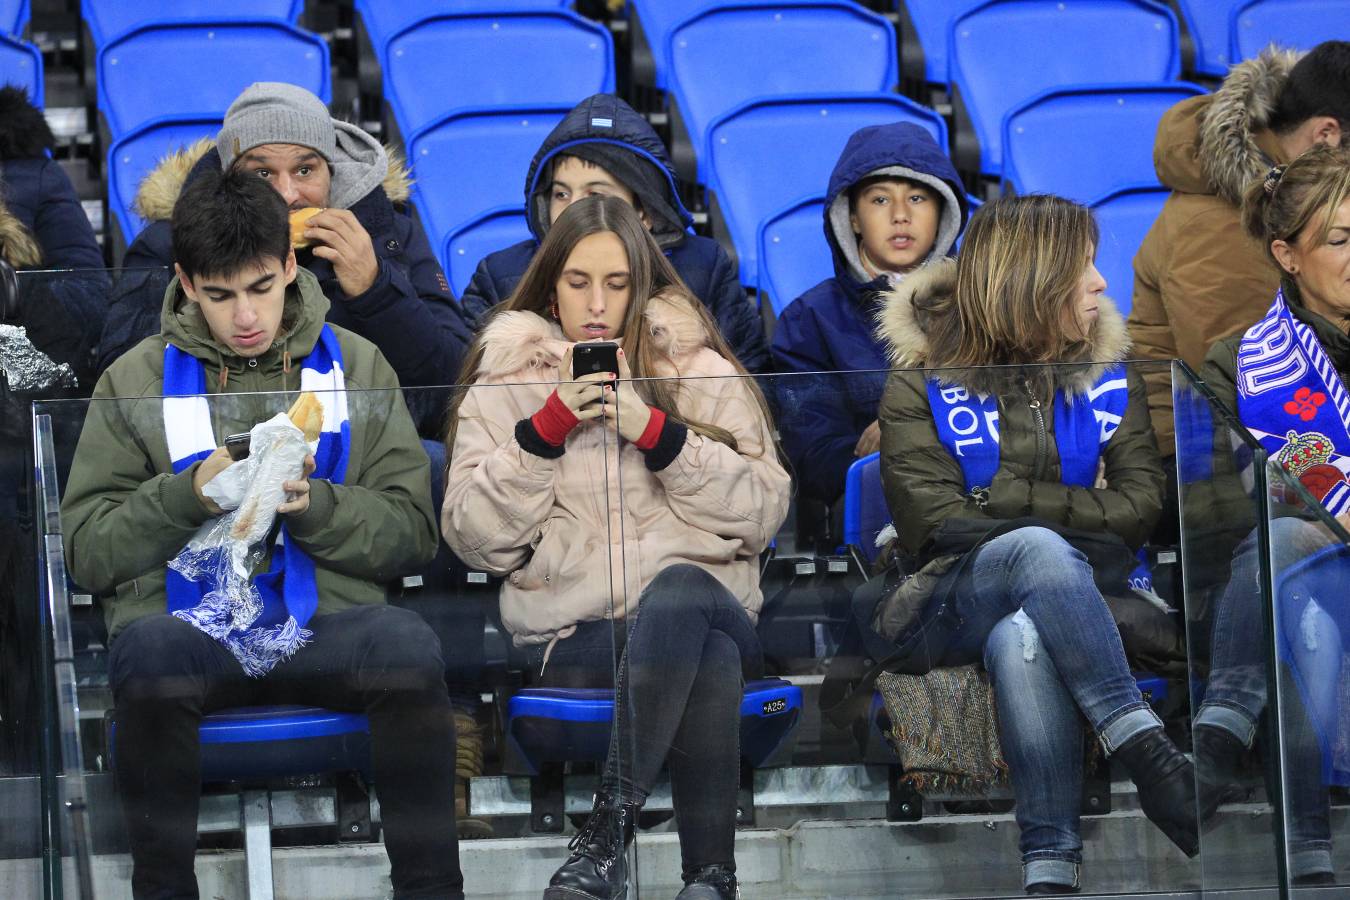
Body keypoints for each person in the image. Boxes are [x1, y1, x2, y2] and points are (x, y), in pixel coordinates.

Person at [61, 170, 462, 900]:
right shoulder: (130, 381)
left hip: (327, 625)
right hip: (191, 629)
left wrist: (316, 506)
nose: (244, 315)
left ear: (289, 266)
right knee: (147, 652)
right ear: (183, 282)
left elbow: (412, 533)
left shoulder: (359, 364)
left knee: (408, 646)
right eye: (219, 295)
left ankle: (432, 892)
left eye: (259, 286)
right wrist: (184, 497)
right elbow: (87, 552)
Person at [442, 195, 789, 900]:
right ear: (551, 283)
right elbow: (474, 539)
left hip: (711, 610)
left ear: (642, 282)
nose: (597, 303)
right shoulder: (505, 385)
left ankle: (603, 841)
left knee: (686, 595)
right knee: (708, 656)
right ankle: (710, 881)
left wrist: (657, 432)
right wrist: (544, 430)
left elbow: (764, 512)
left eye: (616, 283)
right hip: (577, 636)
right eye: (577, 282)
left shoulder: (702, 372)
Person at [872, 195, 1196, 893]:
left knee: (1025, 632)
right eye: (1083, 267)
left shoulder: (1111, 371)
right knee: (1036, 552)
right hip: (952, 597)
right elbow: (935, 522)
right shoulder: (920, 375)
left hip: (1091, 595)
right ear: (1034, 279)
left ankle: (1049, 871)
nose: (1101, 284)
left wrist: (1000, 497)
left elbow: (1140, 509)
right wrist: (1066, 515)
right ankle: (1146, 748)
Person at [96, 82, 473, 418]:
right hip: (215, 445)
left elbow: (455, 384)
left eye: (305, 171)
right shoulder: (168, 243)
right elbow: (120, 388)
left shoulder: (387, 235)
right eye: (261, 173)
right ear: (227, 175)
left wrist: (377, 290)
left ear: (331, 171)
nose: (287, 194)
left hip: (360, 439)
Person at [1194, 143, 1350, 886]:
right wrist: (1305, 501)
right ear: (1287, 254)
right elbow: (1212, 506)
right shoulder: (1240, 362)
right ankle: (1306, 853)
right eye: (1342, 240)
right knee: (1290, 563)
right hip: (1303, 566)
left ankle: (1222, 728)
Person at [1129, 41, 1350, 457]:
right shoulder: (1218, 224)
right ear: (1326, 136)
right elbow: (1256, 384)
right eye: (1339, 240)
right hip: (1198, 464)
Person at [459, 92, 769, 372]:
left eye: (596, 196)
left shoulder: (704, 266)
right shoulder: (501, 275)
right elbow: (467, 398)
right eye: (561, 194)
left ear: (644, 211)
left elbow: (748, 385)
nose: (573, 211)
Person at [771, 120, 968, 507]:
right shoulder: (808, 319)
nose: (900, 215)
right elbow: (815, 457)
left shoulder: (984, 304)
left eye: (917, 198)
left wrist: (906, 429)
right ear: (853, 219)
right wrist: (885, 456)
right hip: (879, 512)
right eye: (880, 199)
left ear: (942, 211)